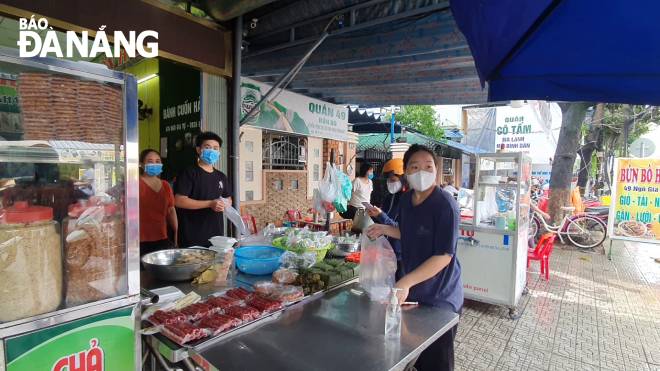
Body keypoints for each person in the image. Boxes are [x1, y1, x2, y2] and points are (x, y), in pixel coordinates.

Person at [367, 144, 463, 371]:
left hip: (440, 295)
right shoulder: (406, 200)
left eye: (428, 166)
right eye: (415, 166)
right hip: (413, 291)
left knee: (437, 361)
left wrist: (406, 281)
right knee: (412, 350)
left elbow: (444, 256)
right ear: (407, 173)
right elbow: (409, 232)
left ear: (436, 171)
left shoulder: (446, 206)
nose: (422, 171)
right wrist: (384, 229)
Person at [174, 132, 232, 247]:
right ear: (199, 150)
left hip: (216, 237)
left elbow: (228, 198)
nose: (212, 151)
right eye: (207, 147)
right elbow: (179, 200)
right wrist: (210, 203)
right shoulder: (189, 173)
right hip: (192, 236)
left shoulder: (221, 176)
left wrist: (225, 203)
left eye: (216, 148)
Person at [367, 158, 406, 278]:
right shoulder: (390, 197)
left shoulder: (409, 201)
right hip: (387, 249)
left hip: (402, 253)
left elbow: (400, 229)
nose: (390, 183)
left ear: (403, 180)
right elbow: (386, 221)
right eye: (388, 180)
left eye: (393, 180)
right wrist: (375, 215)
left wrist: (381, 215)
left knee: (399, 286)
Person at [139, 149, 178, 256]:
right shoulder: (134, 183)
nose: (154, 164)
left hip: (163, 237)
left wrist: (176, 232)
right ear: (142, 165)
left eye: (157, 161)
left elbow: (171, 210)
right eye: (150, 161)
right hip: (139, 240)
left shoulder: (165, 185)